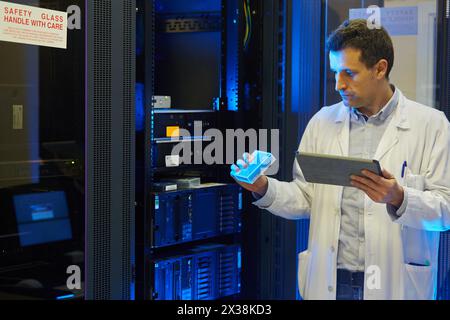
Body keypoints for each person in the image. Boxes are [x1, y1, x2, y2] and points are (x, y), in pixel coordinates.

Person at [232, 19, 450, 300]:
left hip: (396, 285)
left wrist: (400, 197)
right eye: (335, 73)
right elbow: (306, 197)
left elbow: (445, 209)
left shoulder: (431, 125)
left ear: (380, 69)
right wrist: (263, 187)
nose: (338, 84)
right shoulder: (323, 122)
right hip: (330, 282)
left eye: (349, 73)